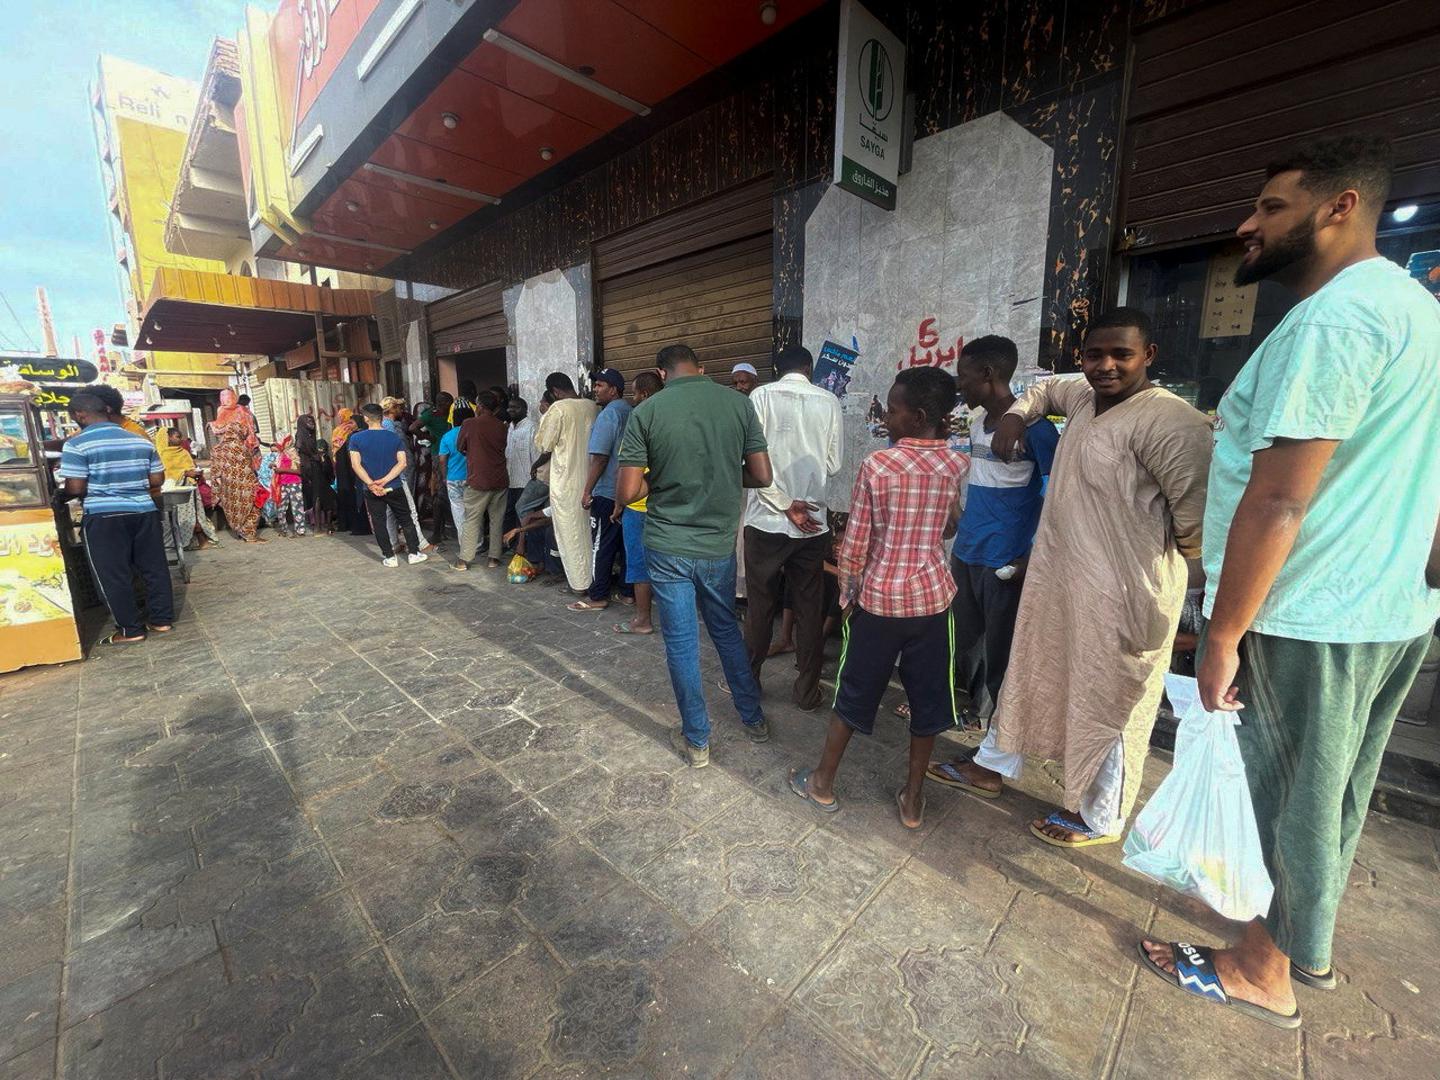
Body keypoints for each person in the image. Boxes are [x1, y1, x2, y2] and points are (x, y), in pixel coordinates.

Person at [1139, 137, 1440, 1028]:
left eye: (1271, 208)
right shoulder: (1417, 310)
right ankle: (1282, 932)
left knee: (1293, 795)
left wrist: (1223, 633)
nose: (1247, 225)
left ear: (1341, 207)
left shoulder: (1335, 319)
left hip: (1312, 609)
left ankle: (1265, 967)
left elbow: (1277, 499)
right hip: (1384, 606)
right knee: (1332, 789)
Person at [942, 309, 1212, 845]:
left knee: (1110, 699)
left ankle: (1102, 816)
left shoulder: (1173, 424)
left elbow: (1198, 531)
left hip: (1125, 594)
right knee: (1030, 671)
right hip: (1059, 579)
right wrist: (1018, 416)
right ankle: (993, 766)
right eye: (1095, 354)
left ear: (1148, 357)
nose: (1106, 366)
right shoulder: (1083, 396)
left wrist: (1200, 615)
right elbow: (1041, 392)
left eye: (1121, 355)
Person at [788, 368, 969, 828]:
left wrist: (847, 595)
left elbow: (857, 543)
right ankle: (912, 800)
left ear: (917, 416)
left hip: (880, 603)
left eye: (892, 409)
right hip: (932, 603)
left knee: (854, 691)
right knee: (927, 702)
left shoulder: (878, 465)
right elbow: (951, 526)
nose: (886, 417)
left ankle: (823, 783)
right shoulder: (955, 464)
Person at [616, 344, 774, 768]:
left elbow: (628, 491)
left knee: (682, 642)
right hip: (717, 546)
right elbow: (762, 475)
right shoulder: (738, 405)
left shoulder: (646, 412)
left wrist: (660, 483)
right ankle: (753, 719)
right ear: (701, 369)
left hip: (668, 546)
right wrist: (722, 474)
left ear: (660, 373)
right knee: (724, 629)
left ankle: (698, 740)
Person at [925, 337, 1059, 775]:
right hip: (967, 553)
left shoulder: (1036, 429)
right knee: (963, 648)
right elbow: (976, 478)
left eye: (964, 376)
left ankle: (996, 761)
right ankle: (977, 725)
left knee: (1003, 662)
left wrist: (1031, 556)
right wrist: (955, 514)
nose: (959, 385)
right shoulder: (980, 422)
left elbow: (1056, 495)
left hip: (1006, 562)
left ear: (987, 374)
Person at [741, 345, 842, 710]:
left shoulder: (760, 396)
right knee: (809, 607)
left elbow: (748, 460)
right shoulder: (828, 400)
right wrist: (798, 499)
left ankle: (749, 683)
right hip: (812, 522)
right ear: (810, 369)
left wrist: (784, 504)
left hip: (766, 519)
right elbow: (833, 463)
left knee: (760, 606)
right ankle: (807, 691)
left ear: (776, 369)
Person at [58, 393, 175, 643]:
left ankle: (130, 630)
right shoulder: (141, 441)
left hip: (104, 515)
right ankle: (161, 620)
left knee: (113, 574)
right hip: (144, 511)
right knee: (154, 568)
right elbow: (157, 480)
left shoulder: (77, 444)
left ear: (80, 415)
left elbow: (76, 488)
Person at [572, 368, 634, 612]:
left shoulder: (609, 415)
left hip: (607, 491)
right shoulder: (631, 411)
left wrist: (587, 490)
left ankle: (598, 596)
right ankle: (628, 593)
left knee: (602, 544)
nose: (595, 389)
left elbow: (599, 458)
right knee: (625, 543)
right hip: (629, 490)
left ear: (614, 389)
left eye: (600, 385)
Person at [535, 372, 599, 594]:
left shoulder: (558, 409)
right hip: (591, 479)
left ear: (554, 391)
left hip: (566, 482)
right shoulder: (593, 406)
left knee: (570, 533)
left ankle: (579, 584)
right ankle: (593, 579)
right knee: (589, 533)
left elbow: (544, 444)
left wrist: (544, 416)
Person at [612, 370, 663, 635]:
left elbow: (627, 468)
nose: (633, 398)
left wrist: (620, 502)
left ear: (643, 394)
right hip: (666, 506)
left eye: (634, 392)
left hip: (640, 506)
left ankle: (643, 619)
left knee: (639, 563)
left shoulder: (638, 419)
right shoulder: (671, 417)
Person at [349, 403, 428, 567]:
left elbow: (356, 465)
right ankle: (414, 553)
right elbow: (402, 463)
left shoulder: (356, 438)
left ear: (365, 418)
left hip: (371, 489)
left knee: (379, 522)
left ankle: (389, 557)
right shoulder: (394, 437)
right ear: (381, 417)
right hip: (394, 485)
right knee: (406, 519)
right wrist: (386, 480)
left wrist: (371, 483)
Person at [455, 391, 509, 571]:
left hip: (478, 479)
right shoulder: (502, 426)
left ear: (480, 406)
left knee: (472, 519)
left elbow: (460, 447)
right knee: (496, 519)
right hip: (499, 478)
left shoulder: (469, 424)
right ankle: (494, 558)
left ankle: (464, 560)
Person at [210, 390, 265, 543]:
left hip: (228, 485)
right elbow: (249, 466)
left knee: (234, 507)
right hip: (243, 484)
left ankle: (240, 531)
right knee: (252, 506)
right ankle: (249, 534)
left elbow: (215, 470)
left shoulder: (217, 449)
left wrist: (218, 484)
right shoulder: (241, 447)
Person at [155, 427, 219, 549]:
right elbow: (166, 473)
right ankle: (179, 542)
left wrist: (195, 473)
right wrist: (184, 473)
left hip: (190, 489)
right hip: (174, 492)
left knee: (195, 515)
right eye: (177, 437)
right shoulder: (163, 455)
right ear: (168, 437)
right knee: (178, 517)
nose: (180, 439)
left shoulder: (184, 452)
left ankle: (201, 541)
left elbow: (191, 466)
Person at [436, 404, 473, 549]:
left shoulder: (447, 436)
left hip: (453, 478)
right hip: (471, 478)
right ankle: (478, 544)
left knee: (459, 513)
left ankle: (465, 545)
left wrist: (445, 477)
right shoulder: (472, 434)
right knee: (474, 512)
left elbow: (442, 459)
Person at [505, 397, 538, 537]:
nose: (511, 410)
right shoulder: (510, 427)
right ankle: (511, 543)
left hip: (526, 480)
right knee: (509, 513)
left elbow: (536, 454)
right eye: (510, 407)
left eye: (516, 407)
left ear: (525, 410)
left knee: (523, 514)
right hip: (511, 479)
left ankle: (524, 546)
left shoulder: (532, 427)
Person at [271, 435, 306, 537]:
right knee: (280, 508)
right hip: (282, 484)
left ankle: (300, 531)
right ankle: (283, 530)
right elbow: (281, 465)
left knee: (297, 507)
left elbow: (299, 471)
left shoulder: (292, 452)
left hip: (294, 483)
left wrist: (282, 470)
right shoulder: (280, 454)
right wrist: (274, 465)